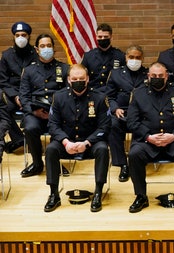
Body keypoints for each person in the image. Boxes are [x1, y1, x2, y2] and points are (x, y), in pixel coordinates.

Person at [127, 62, 174, 213]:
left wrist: (173, 136)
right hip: (148, 141)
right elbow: (132, 121)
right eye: (154, 76)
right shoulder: (138, 93)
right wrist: (148, 136)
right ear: (148, 76)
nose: (157, 78)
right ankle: (141, 196)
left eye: (160, 76)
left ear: (167, 76)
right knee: (134, 154)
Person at [44, 64, 110, 213]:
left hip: (89, 143)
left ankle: (98, 192)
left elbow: (104, 127)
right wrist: (66, 142)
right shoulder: (59, 97)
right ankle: (54, 194)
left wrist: (86, 143)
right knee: (51, 149)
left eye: (81, 78)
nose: (78, 81)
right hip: (67, 143)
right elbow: (53, 125)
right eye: (75, 79)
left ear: (87, 79)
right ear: (68, 80)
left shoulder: (99, 98)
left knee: (102, 149)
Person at [19, 34, 70, 178]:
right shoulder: (29, 71)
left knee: (60, 128)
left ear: (54, 49)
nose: (46, 48)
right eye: (42, 46)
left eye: (49, 46)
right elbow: (24, 96)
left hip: (57, 112)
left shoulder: (64, 68)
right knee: (30, 128)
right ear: (36, 49)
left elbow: (69, 94)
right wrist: (34, 112)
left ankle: (55, 162)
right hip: (36, 112)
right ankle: (37, 163)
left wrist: (57, 111)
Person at [105, 44, 148, 183]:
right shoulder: (116, 73)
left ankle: (138, 161)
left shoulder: (147, 74)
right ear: (126, 57)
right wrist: (114, 108)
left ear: (142, 59)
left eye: (137, 57)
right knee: (112, 124)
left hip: (141, 113)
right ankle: (123, 164)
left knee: (145, 125)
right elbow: (109, 96)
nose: (134, 60)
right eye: (131, 57)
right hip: (122, 112)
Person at [0, 21, 37, 153]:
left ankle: (29, 139)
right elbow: (3, 81)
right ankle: (19, 139)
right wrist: (16, 96)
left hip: (32, 94)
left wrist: (25, 97)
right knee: (3, 108)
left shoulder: (36, 54)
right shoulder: (6, 55)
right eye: (17, 35)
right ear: (14, 36)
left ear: (29, 36)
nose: (20, 38)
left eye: (24, 35)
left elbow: (39, 78)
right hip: (13, 94)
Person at [81, 23, 126, 93]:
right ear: (96, 37)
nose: (102, 39)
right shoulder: (88, 56)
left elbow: (124, 78)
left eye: (105, 37)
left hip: (113, 94)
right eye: (100, 37)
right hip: (93, 94)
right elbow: (83, 76)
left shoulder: (120, 56)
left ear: (111, 37)